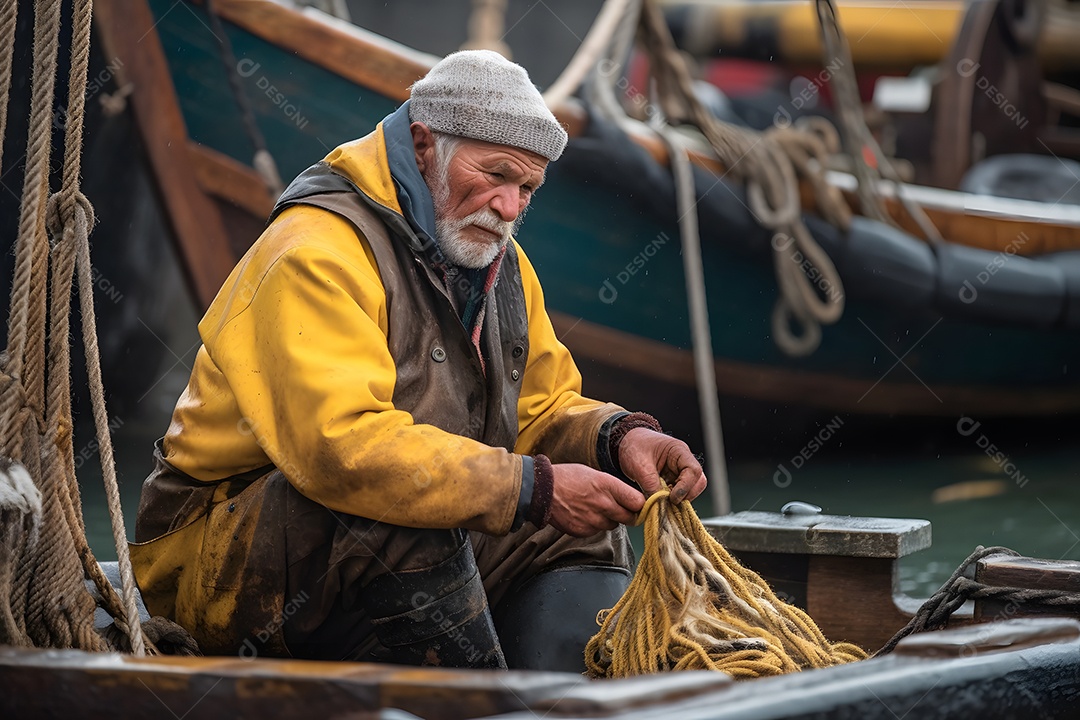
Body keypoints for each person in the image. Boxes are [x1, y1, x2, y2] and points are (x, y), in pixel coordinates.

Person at [131, 50, 706, 670]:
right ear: (424, 144)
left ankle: (556, 704)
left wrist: (618, 438)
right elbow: (341, 450)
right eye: (496, 175)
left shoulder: (503, 265)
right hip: (211, 560)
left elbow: (539, 408)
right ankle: (481, 705)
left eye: (527, 189)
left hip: (345, 554)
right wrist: (533, 488)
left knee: (582, 526)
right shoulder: (314, 252)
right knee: (404, 514)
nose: (509, 208)